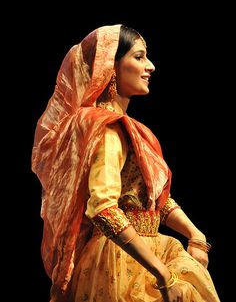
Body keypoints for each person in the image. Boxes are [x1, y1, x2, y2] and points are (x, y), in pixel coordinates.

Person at [31, 24, 220, 302]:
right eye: (139, 56)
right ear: (111, 66)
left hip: (145, 252)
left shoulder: (132, 130)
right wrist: (163, 275)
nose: (151, 66)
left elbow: (152, 197)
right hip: (118, 262)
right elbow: (103, 209)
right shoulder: (106, 129)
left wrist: (195, 234)